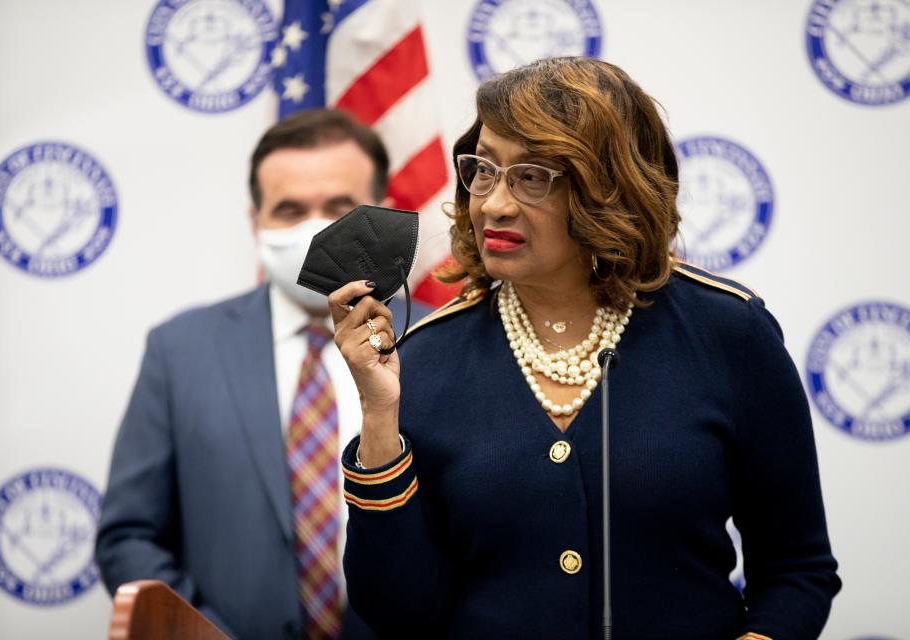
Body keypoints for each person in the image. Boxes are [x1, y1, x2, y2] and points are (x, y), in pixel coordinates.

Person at [328, 58, 841, 640]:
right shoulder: (426, 355)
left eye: (532, 176)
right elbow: (396, 611)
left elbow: (798, 570)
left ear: (610, 187)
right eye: (485, 170)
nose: (493, 203)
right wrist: (378, 416)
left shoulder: (726, 331)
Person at [96, 108, 425, 640]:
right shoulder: (180, 350)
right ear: (256, 223)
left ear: (382, 212)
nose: (313, 228)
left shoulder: (441, 342)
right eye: (289, 210)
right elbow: (129, 536)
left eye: (339, 207)